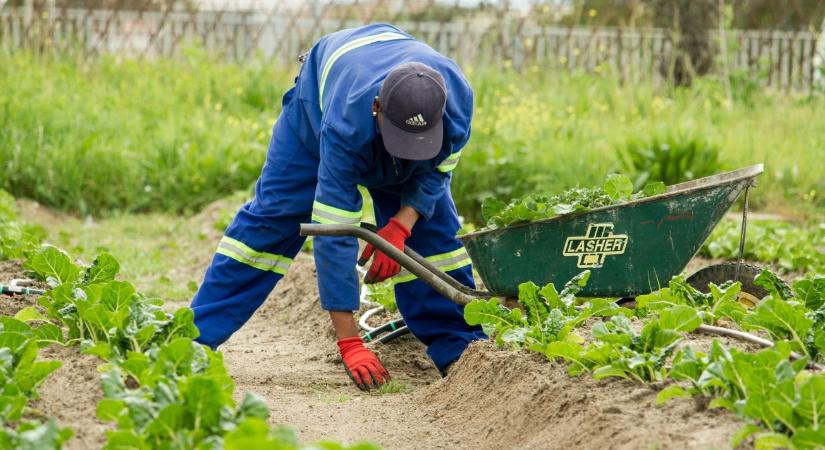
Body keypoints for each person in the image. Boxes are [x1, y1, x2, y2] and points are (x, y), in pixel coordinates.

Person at [190, 23, 485, 390]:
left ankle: (461, 350)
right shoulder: (346, 123)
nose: (404, 153)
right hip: (317, 111)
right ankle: (193, 341)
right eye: (398, 142)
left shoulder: (457, 104)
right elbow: (335, 232)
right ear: (377, 109)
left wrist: (401, 225)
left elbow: (438, 171)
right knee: (272, 221)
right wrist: (349, 340)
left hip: (394, 101)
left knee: (432, 237)